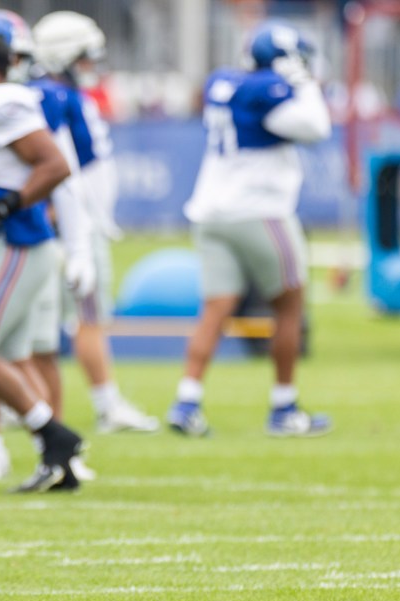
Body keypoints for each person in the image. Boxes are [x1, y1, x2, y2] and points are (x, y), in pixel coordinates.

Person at [167, 21, 332, 437]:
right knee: (290, 307)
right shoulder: (269, 90)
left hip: (211, 212)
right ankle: (284, 408)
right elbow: (316, 128)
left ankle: (187, 401)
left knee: (215, 310)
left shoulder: (224, 82)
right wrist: (305, 84)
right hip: (260, 212)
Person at [0, 34, 87, 492]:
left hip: (15, 244)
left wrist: (9, 206)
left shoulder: (0, 99)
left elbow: (54, 165)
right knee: (8, 356)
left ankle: (55, 436)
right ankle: (57, 458)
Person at [31, 11, 160, 434]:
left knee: (62, 321)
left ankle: (33, 404)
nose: (91, 66)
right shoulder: (54, 97)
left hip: (78, 222)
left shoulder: (59, 94)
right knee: (84, 319)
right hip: (73, 228)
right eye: (85, 57)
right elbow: (58, 164)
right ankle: (106, 404)